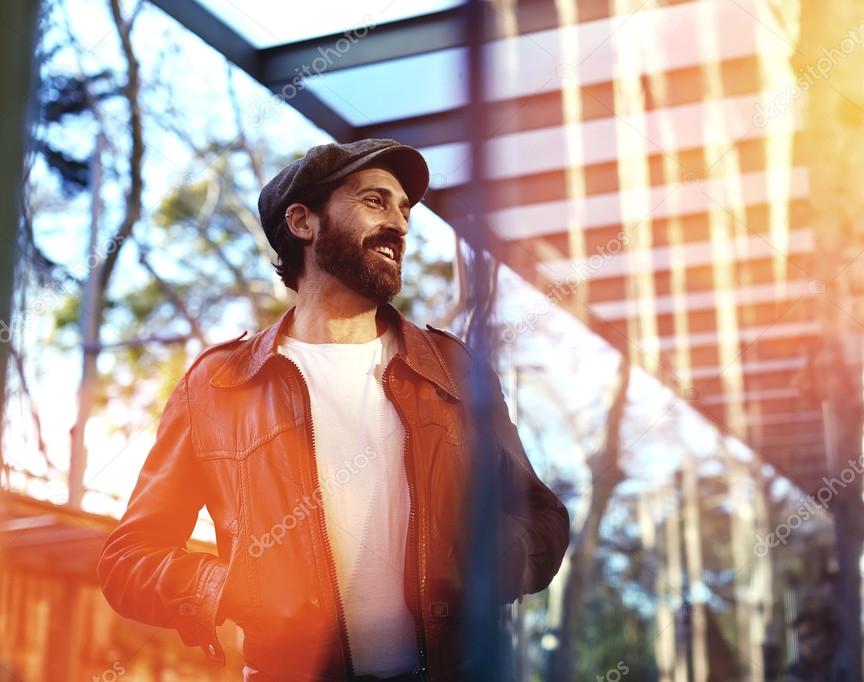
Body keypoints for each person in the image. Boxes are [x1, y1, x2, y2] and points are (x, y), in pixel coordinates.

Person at [97, 139, 570, 681]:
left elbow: (543, 520)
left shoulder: (453, 370)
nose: (400, 225)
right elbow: (128, 559)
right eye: (375, 202)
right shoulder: (218, 386)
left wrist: (485, 557)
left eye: (404, 210)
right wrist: (226, 586)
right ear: (302, 222)